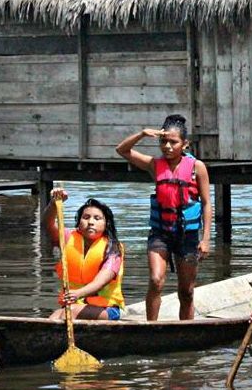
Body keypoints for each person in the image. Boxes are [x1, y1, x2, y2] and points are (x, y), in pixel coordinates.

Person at [115, 114, 212, 321]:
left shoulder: (197, 167)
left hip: (188, 235)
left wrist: (205, 239)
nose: (167, 146)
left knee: (186, 292)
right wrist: (141, 134)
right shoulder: (154, 164)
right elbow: (122, 150)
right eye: (163, 141)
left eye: (173, 142)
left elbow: (206, 203)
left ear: (184, 144)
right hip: (160, 233)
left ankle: (186, 332)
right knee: (156, 280)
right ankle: (151, 328)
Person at [42, 189, 125, 320]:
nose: (91, 222)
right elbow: (47, 224)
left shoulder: (113, 248)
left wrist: (77, 294)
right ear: (79, 223)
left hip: (107, 309)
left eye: (97, 218)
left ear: (106, 224)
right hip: (73, 306)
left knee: (70, 311)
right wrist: (54, 203)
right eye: (86, 217)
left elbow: (100, 282)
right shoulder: (68, 239)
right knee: (55, 316)